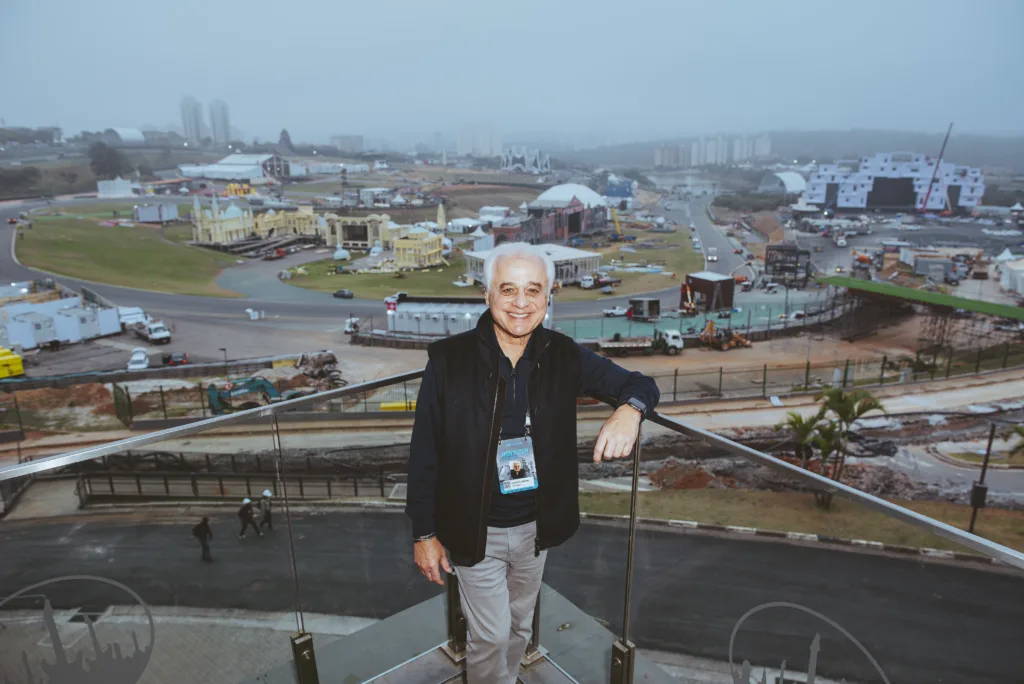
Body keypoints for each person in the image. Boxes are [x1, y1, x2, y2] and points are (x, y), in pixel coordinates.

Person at [406, 242, 659, 683]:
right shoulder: (448, 361)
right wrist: (424, 533)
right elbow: (424, 451)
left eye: (533, 290)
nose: (520, 303)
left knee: (520, 626)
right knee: (490, 635)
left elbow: (640, 384)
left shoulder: (564, 355)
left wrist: (630, 411)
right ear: (487, 294)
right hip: (473, 529)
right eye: (508, 289)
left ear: (548, 295)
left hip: (535, 528)